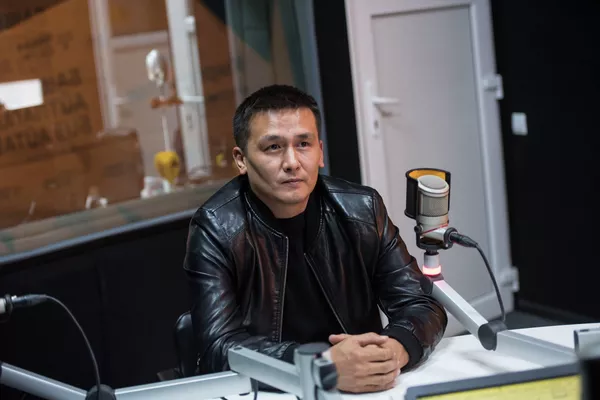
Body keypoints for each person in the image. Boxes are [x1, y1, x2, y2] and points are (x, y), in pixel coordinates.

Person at [183, 84, 447, 393]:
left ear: (320, 151)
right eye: (273, 147)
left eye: (304, 144)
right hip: (273, 392)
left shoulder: (362, 209)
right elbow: (218, 349)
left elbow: (421, 303)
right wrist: (321, 366)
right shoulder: (216, 227)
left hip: (364, 389)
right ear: (241, 160)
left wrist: (396, 348)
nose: (292, 162)